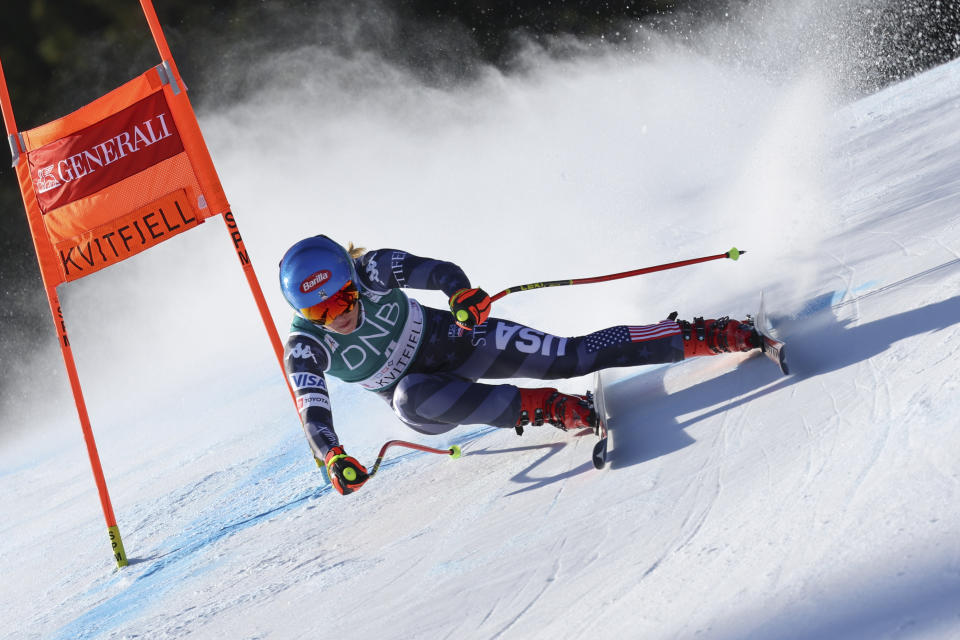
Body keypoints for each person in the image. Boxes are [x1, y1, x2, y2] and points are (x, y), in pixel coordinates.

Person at [279, 235, 761, 495]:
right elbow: (312, 409)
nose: (338, 314)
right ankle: (546, 407)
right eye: (320, 311)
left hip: (457, 339)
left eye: (342, 297)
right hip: (428, 402)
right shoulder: (305, 344)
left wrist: (460, 293)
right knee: (409, 396)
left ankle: (701, 335)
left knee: (572, 355)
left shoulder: (371, 271)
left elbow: (435, 270)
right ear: (303, 314)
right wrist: (333, 455)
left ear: (349, 278)